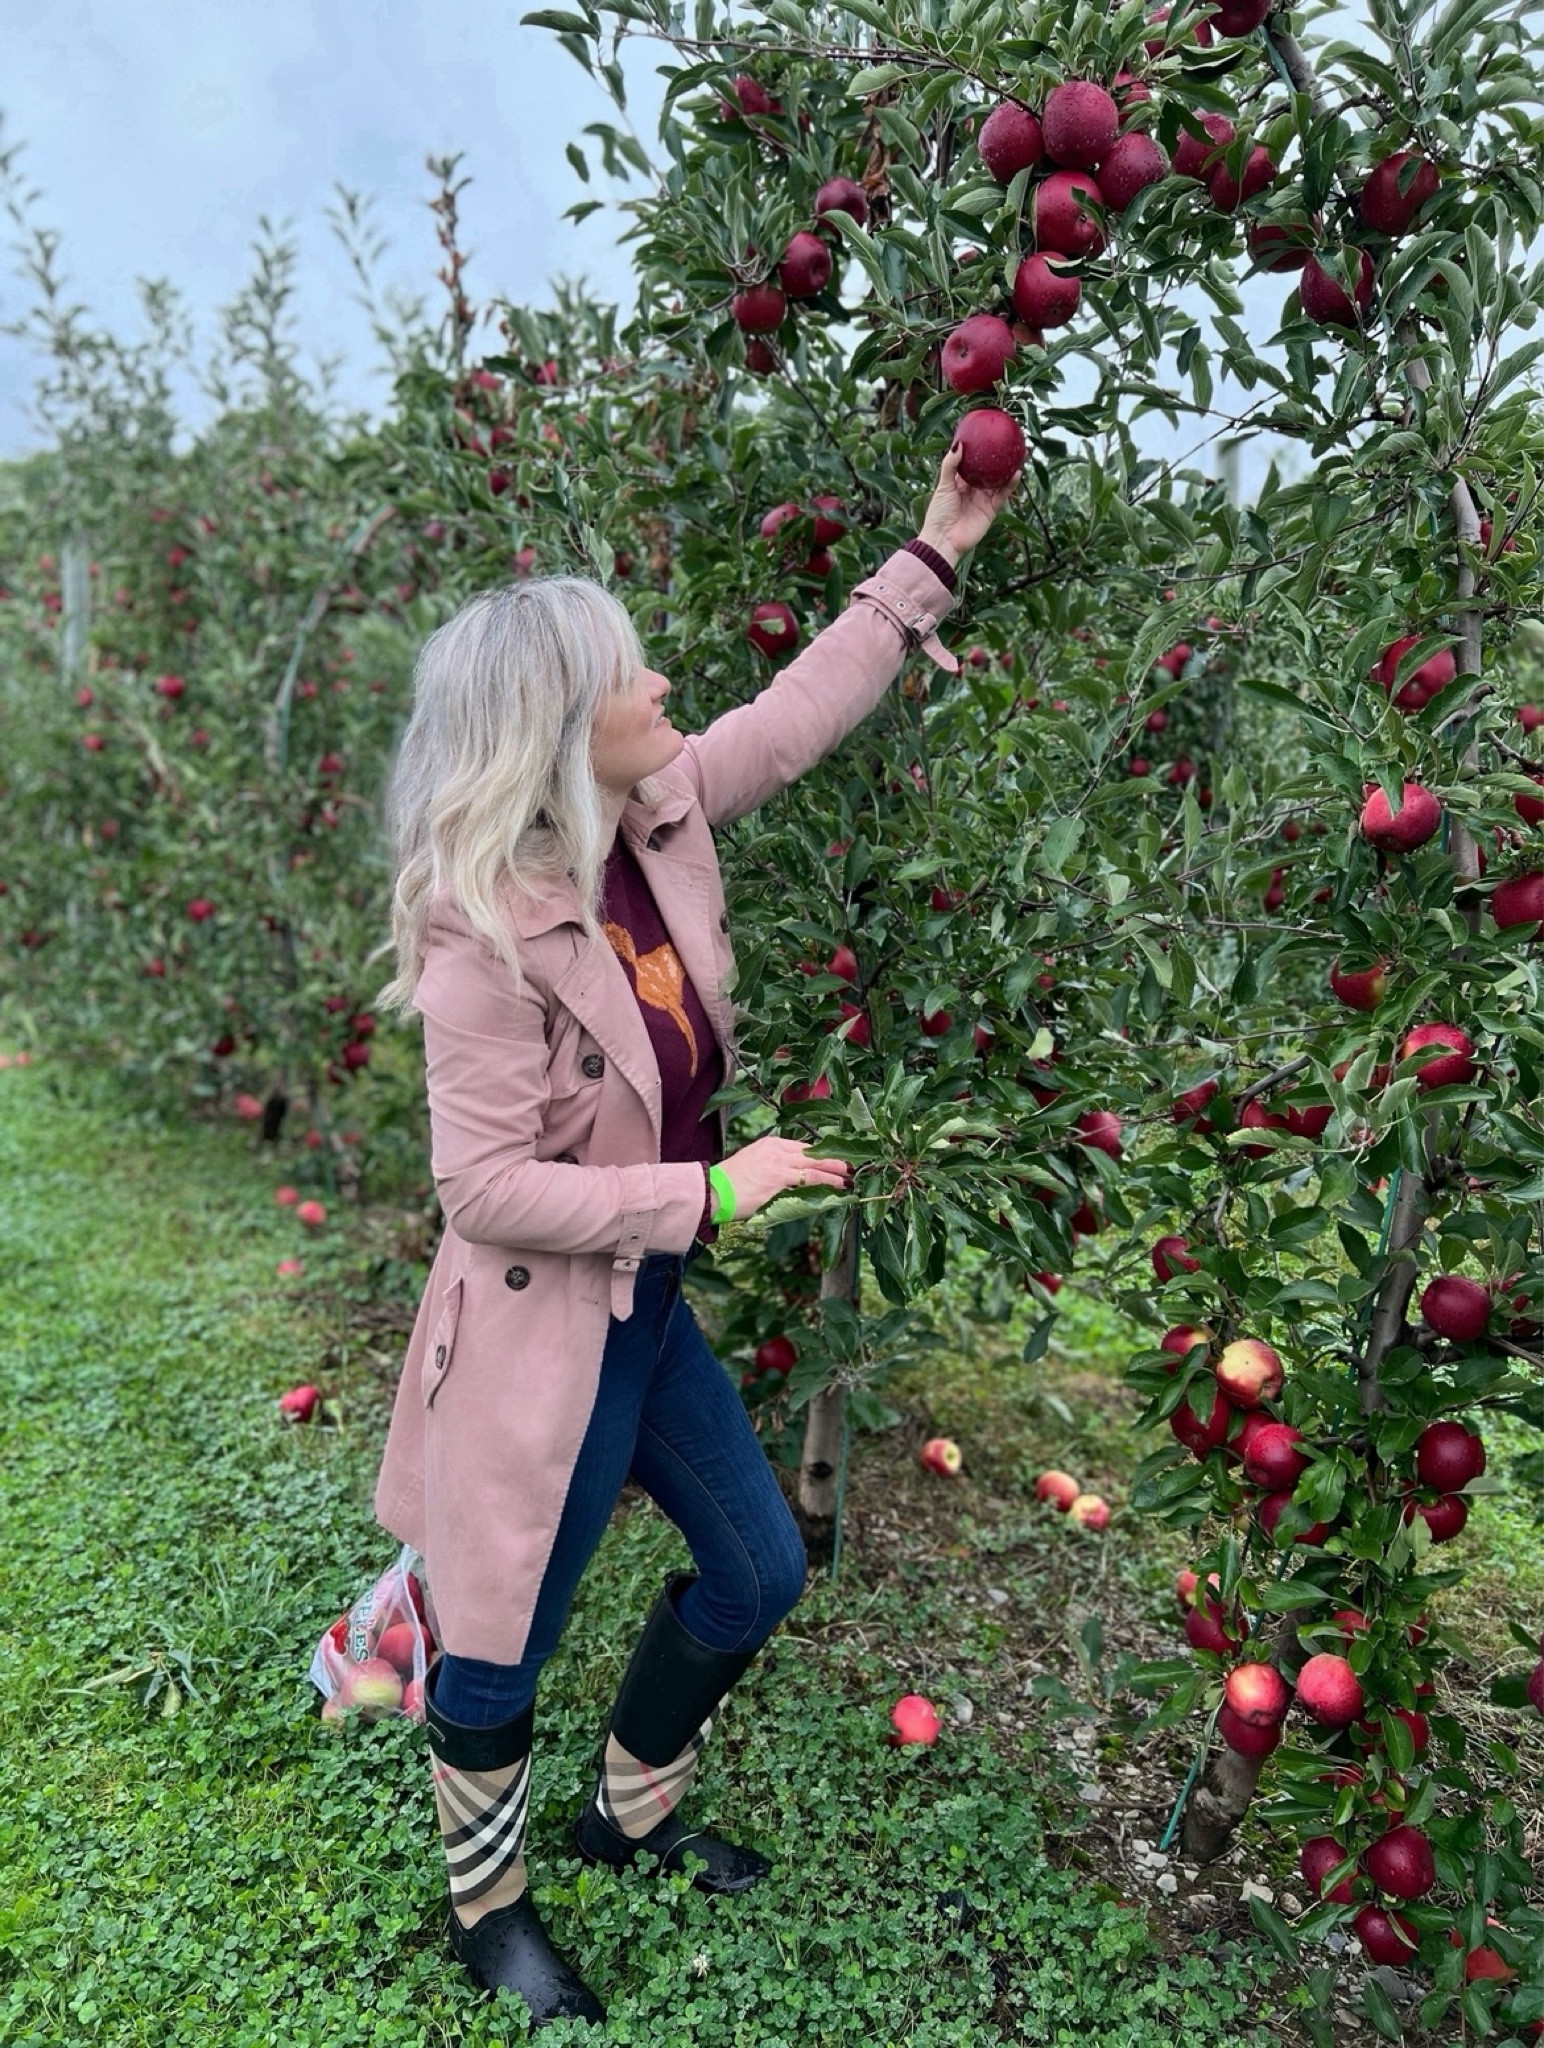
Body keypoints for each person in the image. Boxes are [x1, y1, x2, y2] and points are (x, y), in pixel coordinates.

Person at [369, 442, 1019, 2027]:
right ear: (553, 729)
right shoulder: (479, 930)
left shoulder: (651, 815)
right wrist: (717, 1194)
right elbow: (485, 1189)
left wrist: (929, 557)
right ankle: (490, 1910)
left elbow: (791, 719)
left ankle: (630, 1808)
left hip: (641, 1312)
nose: (664, 679)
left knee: (757, 1565)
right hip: (540, 1333)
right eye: (627, 671)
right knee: (499, 1640)